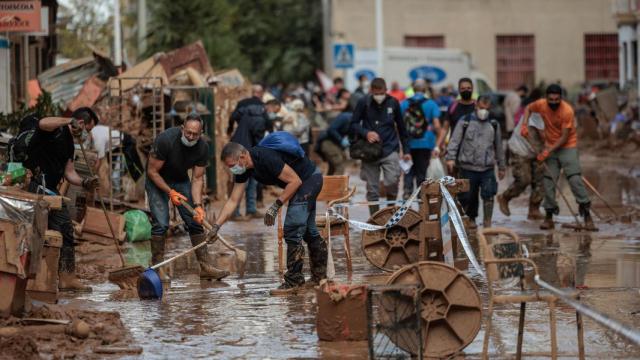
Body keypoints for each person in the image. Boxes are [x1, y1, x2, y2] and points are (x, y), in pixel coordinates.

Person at [212, 140, 326, 294]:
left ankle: (294, 281)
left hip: (309, 180)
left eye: (233, 166)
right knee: (308, 231)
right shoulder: (244, 169)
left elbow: (295, 181)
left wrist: (274, 206)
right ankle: (320, 278)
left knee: (292, 228)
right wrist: (216, 226)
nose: (232, 170)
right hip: (301, 183)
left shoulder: (264, 157)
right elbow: (233, 200)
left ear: (243, 156)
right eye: (229, 167)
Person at [146, 114, 229, 281]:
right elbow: (152, 171)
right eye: (188, 132)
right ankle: (157, 268)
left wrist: (197, 205)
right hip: (157, 180)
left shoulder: (203, 148)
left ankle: (205, 267)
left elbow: (197, 178)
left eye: (195, 134)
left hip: (180, 179)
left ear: (201, 133)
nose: (191, 137)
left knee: (195, 221)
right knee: (161, 223)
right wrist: (170, 192)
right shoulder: (165, 140)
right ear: (182, 128)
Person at [26, 107, 100, 291]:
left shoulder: (70, 144)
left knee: (64, 229)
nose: (86, 135)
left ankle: (65, 277)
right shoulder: (55, 130)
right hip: (36, 187)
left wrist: (85, 182)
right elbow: (42, 122)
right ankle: (47, 278)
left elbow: (69, 173)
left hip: (51, 190)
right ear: (80, 123)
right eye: (87, 130)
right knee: (47, 230)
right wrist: (68, 121)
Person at [521, 84, 595, 231]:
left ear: (561, 98)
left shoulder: (567, 110)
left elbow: (564, 137)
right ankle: (549, 217)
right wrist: (524, 124)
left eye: (557, 99)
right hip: (550, 146)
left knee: (574, 179)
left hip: (567, 146)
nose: (554, 102)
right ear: (546, 98)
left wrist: (547, 152)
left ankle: (587, 216)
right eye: (551, 99)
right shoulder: (541, 105)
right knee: (548, 182)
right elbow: (528, 108)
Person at [350, 77, 411, 215]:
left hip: (390, 149)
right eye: (376, 93)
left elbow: (402, 128)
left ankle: (390, 214)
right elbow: (353, 123)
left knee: (392, 182)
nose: (379, 96)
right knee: (372, 189)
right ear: (371, 91)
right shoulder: (363, 102)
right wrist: (366, 133)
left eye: (381, 93)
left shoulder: (393, 103)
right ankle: (375, 218)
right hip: (369, 151)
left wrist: (406, 151)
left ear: (386, 90)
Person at [445, 95, 506, 228]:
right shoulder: (465, 121)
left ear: (490, 107)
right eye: (481, 106)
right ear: (476, 106)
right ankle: (471, 220)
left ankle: (487, 223)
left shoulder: (494, 124)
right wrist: (450, 158)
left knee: (489, 195)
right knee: (468, 197)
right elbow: (454, 141)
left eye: (486, 107)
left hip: (487, 168)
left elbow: (499, 146)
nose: (483, 109)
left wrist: (502, 166)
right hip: (467, 167)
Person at [228, 85, 270, 220]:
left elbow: (232, 117)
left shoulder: (242, 107)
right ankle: (237, 212)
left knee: (249, 180)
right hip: (245, 150)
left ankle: (250, 210)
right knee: (244, 181)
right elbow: (261, 131)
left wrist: (229, 129)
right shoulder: (261, 112)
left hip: (238, 145)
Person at [497, 112, 545, 220]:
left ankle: (534, 210)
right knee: (524, 179)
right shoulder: (537, 113)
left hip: (538, 151)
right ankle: (505, 197)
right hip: (520, 149)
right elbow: (542, 135)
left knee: (540, 180)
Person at [400, 79, 442, 199]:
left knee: (408, 172)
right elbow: (437, 125)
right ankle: (422, 201)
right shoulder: (431, 104)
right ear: (425, 89)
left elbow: (398, 125)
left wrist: (401, 145)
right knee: (422, 174)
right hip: (426, 143)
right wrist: (438, 143)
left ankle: (407, 196)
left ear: (413, 89)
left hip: (408, 144)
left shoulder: (404, 103)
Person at [440, 78, 477, 170]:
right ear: (459, 90)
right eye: (463, 88)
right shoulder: (453, 106)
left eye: (469, 88)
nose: (466, 90)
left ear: (472, 89)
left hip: (474, 152)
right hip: (455, 151)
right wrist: (438, 145)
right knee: (455, 182)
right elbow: (445, 128)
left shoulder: (477, 106)